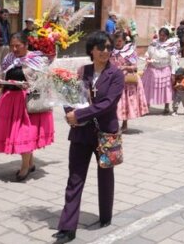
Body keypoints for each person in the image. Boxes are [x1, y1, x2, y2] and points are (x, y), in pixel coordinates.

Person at [53, 31, 124, 243]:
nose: (105, 51)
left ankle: (105, 215)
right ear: (91, 50)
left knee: (105, 175)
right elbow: (71, 96)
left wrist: (79, 114)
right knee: (75, 178)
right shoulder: (82, 71)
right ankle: (67, 227)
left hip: (106, 132)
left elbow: (108, 104)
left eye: (109, 48)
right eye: (101, 47)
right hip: (81, 132)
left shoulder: (116, 75)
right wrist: (68, 112)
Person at [0, 33, 55, 181]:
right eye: (12, 45)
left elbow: (45, 82)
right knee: (18, 133)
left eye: (18, 45)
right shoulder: (9, 58)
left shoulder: (37, 60)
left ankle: (24, 167)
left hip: (27, 102)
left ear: (26, 44)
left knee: (23, 134)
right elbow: (1, 75)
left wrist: (30, 86)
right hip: (9, 100)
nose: (14, 48)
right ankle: (29, 163)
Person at [110, 30, 148, 132]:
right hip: (113, 80)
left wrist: (125, 67)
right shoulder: (111, 52)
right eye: (116, 41)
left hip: (126, 81)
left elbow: (135, 68)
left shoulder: (130, 53)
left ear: (124, 41)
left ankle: (124, 123)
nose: (117, 43)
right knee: (114, 103)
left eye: (119, 41)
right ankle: (113, 123)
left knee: (124, 102)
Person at [141, 28, 178, 114]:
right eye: (160, 35)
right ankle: (147, 106)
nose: (162, 37)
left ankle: (166, 106)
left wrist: (173, 73)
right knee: (148, 88)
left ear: (167, 36)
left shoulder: (171, 45)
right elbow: (148, 52)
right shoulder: (154, 43)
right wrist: (147, 57)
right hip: (153, 69)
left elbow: (173, 59)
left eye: (164, 35)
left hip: (165, 69)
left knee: (166, 89)